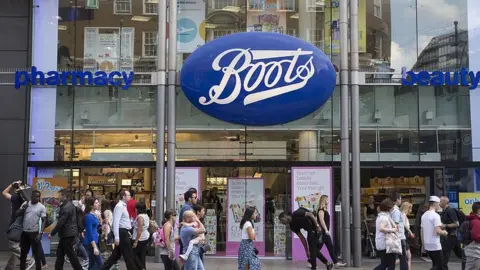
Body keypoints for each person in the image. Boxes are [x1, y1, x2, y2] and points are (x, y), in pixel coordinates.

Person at [101, 190, 143, 270]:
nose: (130, 197)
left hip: (124, 231)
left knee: (115, 255)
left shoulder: (123, 206)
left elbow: (122, 221)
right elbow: (116, 221)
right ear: (124, 197)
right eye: (128, 195)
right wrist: (117, 237)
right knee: (129, 255)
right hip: (122, 232)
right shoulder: (120, 206)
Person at [49, 189, 84, 270]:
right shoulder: (67, 205)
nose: (58, 197)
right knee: (60, 253)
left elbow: (61, 222)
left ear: (64, 196)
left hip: (68, 234)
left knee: (71, 255)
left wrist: (52, 233)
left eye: (60, 195)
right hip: (67, 233)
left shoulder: (67, 207)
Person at [3, 180, 35, 270]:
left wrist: (11, 184)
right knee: (17, 245)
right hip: (25, 224)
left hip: (16, 224)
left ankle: (28, 260)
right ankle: (10, 266)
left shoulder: (16, 198)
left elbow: (4, 193)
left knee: (13, 244)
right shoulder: (29, 201)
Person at [19, 190, 47, 270]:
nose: (36, 198)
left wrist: (40, 233)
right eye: (34, 196)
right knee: (23, 254)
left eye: (37, 196)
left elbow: (44, 220)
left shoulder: (41, 207)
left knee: (36, 254)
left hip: (34, 233)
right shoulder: (26, 204)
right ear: (31, 196)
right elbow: (17, 213)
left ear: (39, 197)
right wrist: (23, 209)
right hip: (24, 233)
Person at [317, 195, 346, 267]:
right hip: (323, 233)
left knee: (328, 247)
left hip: (324, 233)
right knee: (319, 249)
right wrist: (326, 230)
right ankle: (310, 261)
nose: (328, 201)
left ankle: (336, 263)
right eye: (327, 200)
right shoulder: (321, 209)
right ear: (324, 200)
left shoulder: (325, 209)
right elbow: (321, 220)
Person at [421, 196, 448, 270]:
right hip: (435, 244)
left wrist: (423, 245)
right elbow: (438, 231)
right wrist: (444, 232)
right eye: (439, 204)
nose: (439, 206)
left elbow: (422, 231)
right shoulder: (436, 216)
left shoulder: (424, 215)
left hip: (427, 244)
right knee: (440, 266)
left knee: (435, 264)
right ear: (435, 204)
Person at [439, 196, 465, 270]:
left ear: (444, 202)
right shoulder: (444, 211)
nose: (439, 203)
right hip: (450, 236)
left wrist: (445, 225)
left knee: (444, 256)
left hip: (451, 236)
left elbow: (456, 224)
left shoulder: (450, 211)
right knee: (460, 254)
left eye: (440, 201)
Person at [373, 198, 397, 270]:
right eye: (392, 207)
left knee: (384, 264)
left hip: (382, 243)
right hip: (386, 244)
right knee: (390, 265)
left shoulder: (380, 216)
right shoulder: (384, 218)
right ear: (389, 207)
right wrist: (392, 229)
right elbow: (381, 228)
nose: (393, 208)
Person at [84, 197, 103, 270]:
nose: (98, 204)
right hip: (91, 242)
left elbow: (96, 227)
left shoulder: (94, 214)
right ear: (91, 205)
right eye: (96, 203)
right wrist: (94, 247)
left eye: (98, 202)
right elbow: (89, 232)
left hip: (95, 240)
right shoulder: (89, 216)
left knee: (92, 264)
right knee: (100, 263)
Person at [390, 192, 408, 270]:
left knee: (393, 258)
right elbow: (396, 224)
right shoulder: (396, 211)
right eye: (400, 199)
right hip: (399, 237)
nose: (401, 201)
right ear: (397, 199)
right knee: (403, 258)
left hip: (395, 237)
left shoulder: (391, 209)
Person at [100, 200, 119, 270]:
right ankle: (115, 264)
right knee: (110, 247)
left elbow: (106, 224)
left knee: (106, 248)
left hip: (107, 231)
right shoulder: (110, 211)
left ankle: (109, 264)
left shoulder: (105, 212)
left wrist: (105, 235)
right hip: (111, 231)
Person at [179, 190, 198, 255]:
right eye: (195, 197)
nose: (196, 199)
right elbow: (187, 221)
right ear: (189, 199)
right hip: (188, 236)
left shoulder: (188, 207)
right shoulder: (187, 208)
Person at [133, 202, 150, 270]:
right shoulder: (146, 215)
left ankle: (141, 268)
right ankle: (143, 267)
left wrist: (136, 241)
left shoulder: (140, 217)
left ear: (139, 209)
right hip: (145, 237)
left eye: (136, 208)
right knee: (142, 256)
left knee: (133, 254)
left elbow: (139, 230)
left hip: (140, 238)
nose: (135, 210)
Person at [465, 201, 480, 269]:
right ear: (479, 211)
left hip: (474, 251)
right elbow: (476, 237)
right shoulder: (476, 221)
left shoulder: (475, 220)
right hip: (475, 252)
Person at [401, 201, 415, 270]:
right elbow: (404, 225)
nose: (411, 210)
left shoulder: (403, 215)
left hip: (405, 236)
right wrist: (410, 232)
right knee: (407, 256)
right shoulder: (403, 215)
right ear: (407, 208)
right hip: (404, 237)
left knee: (408, 256)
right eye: (410, 208)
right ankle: (388, 264)